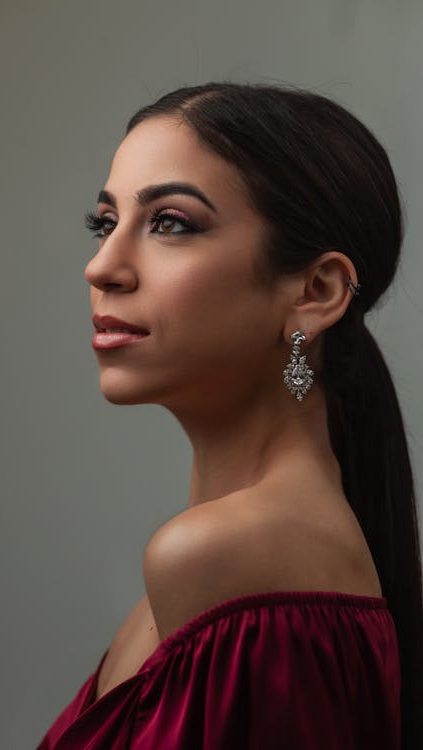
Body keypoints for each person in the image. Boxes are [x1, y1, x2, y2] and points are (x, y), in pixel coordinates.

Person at [37, 81, 423, 749]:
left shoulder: (225, 557)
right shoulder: (233, 556)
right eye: (106, 223)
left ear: (317, 290)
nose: (102, 267)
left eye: (170, 223)